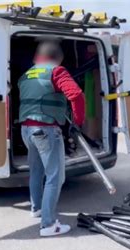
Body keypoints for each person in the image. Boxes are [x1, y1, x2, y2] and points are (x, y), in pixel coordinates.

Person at [18, 41, 85, 237]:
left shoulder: (26, 74)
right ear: (57, 58)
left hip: (26, 130)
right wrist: (77, 121)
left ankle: (37, 208)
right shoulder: (56, 71)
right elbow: (76, 94)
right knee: (56, 176)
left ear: (38, 57)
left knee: (37, 171)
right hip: (46, 130)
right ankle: (48, 225)